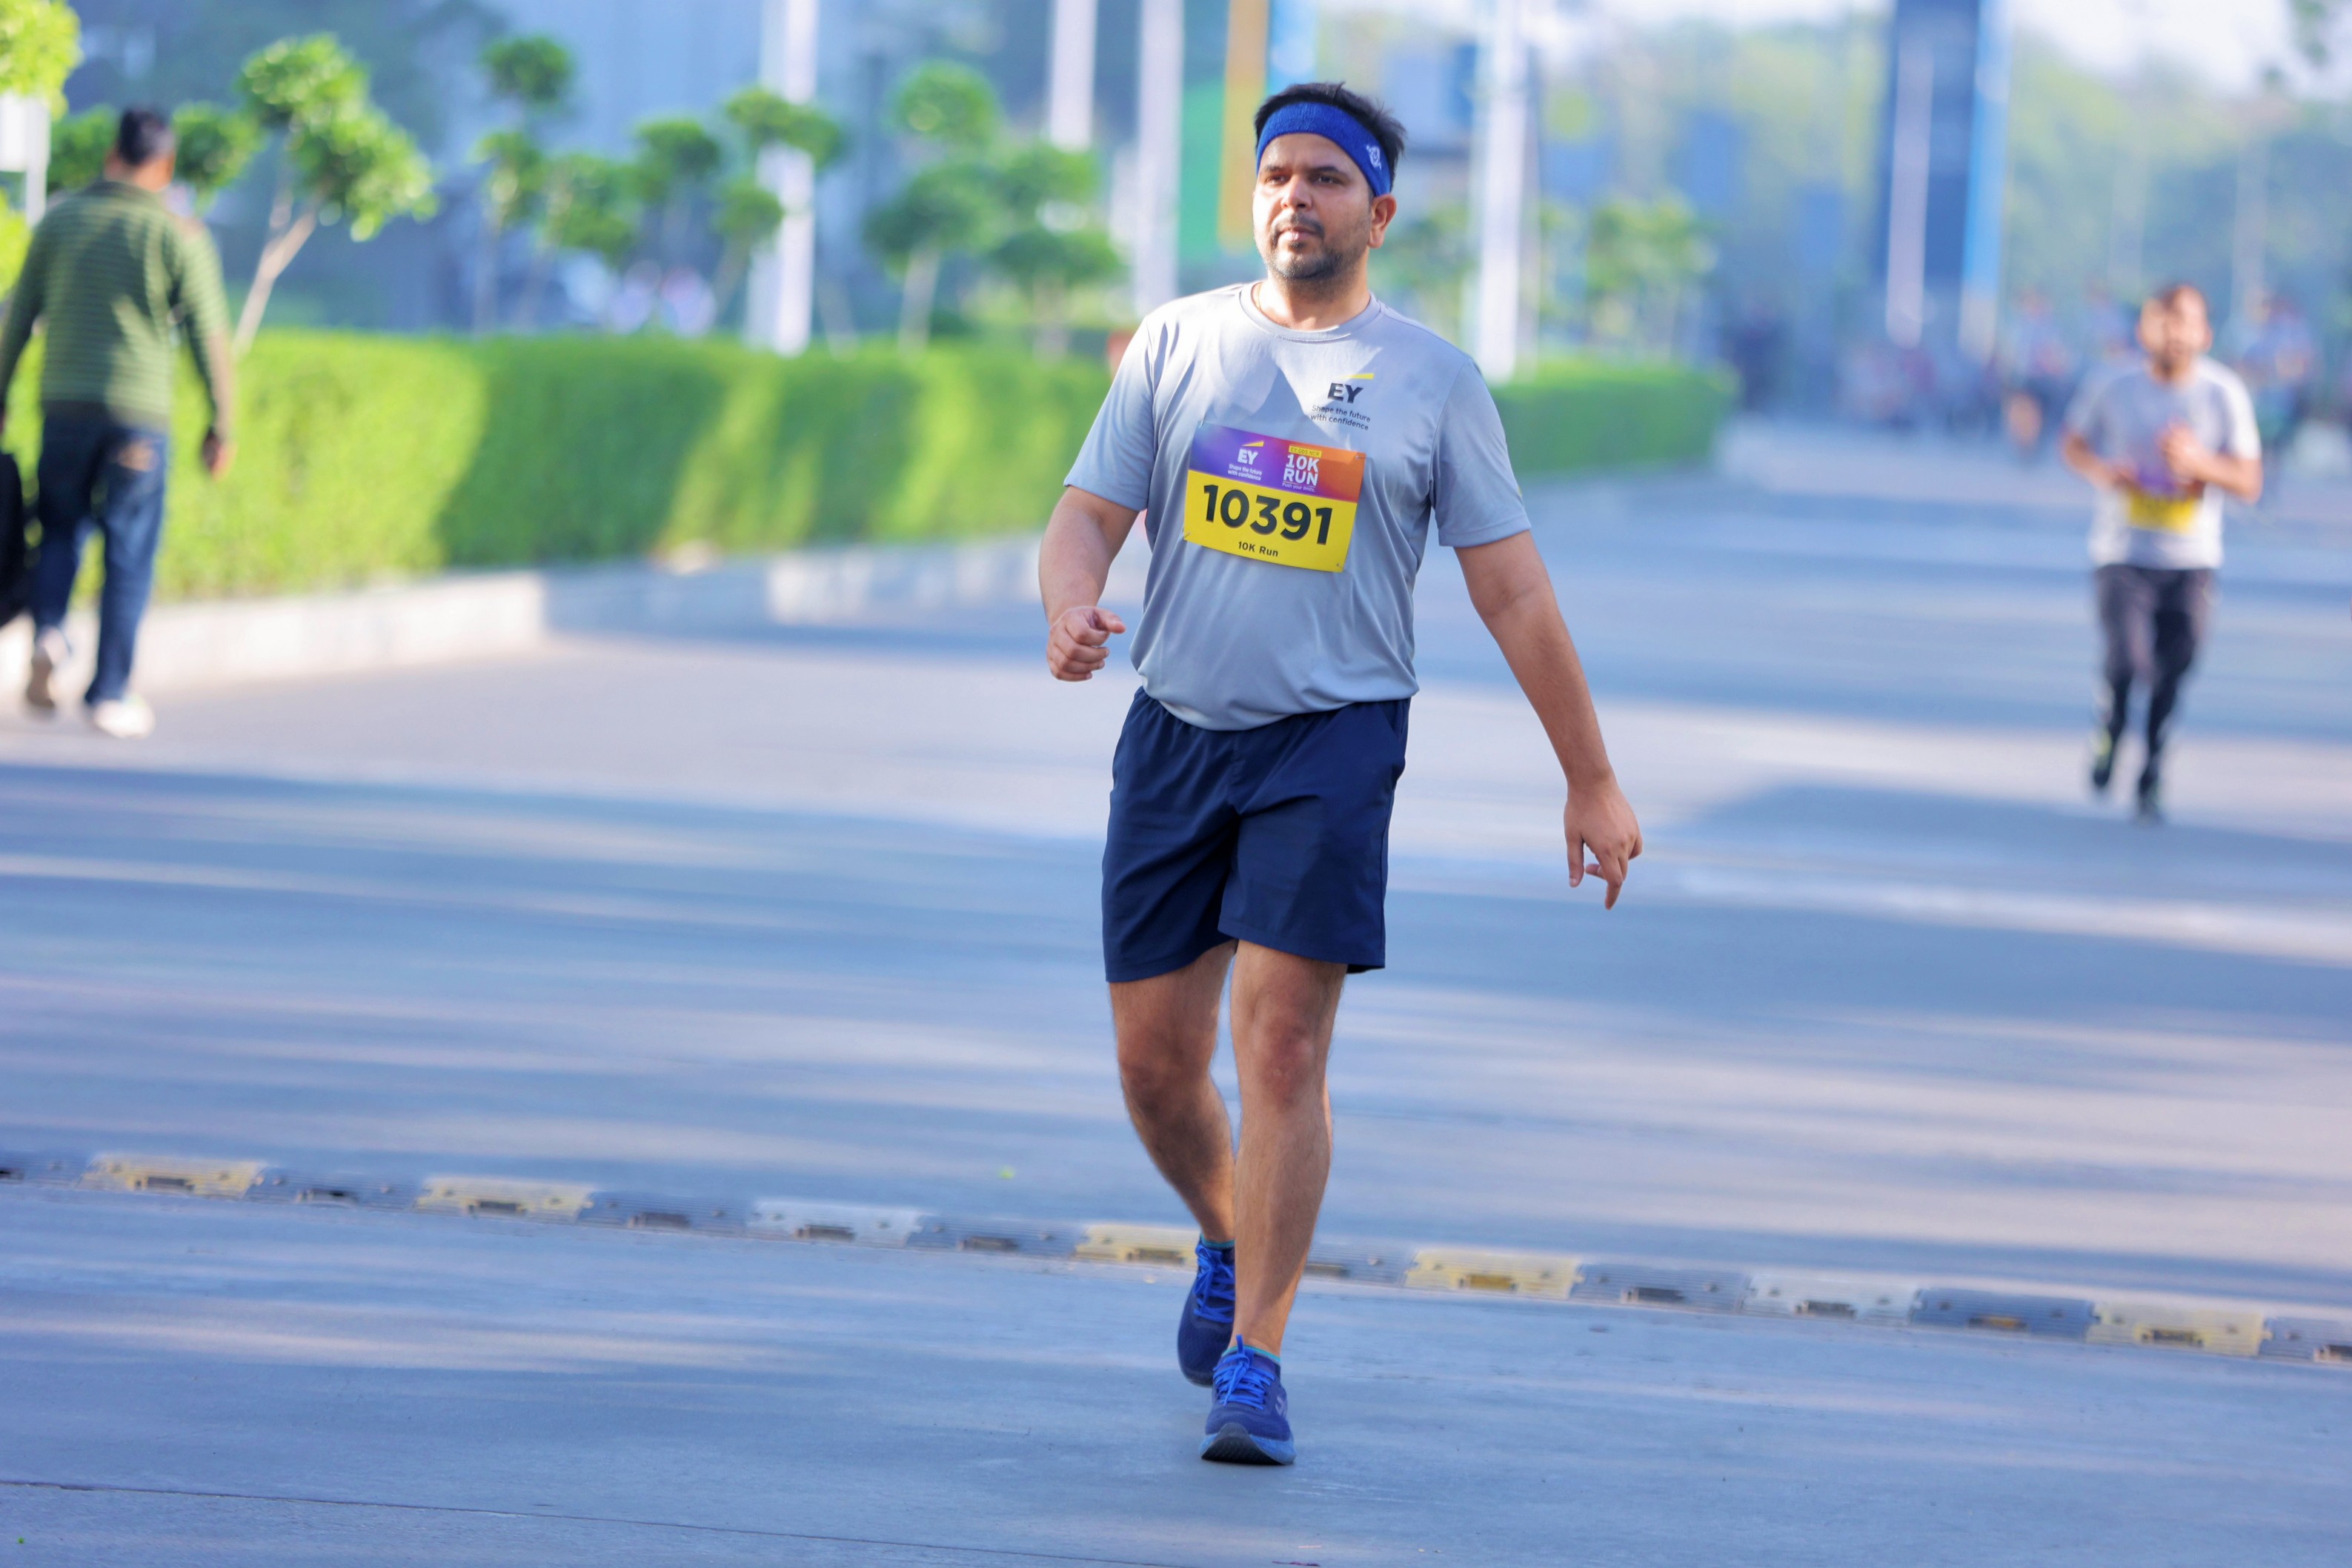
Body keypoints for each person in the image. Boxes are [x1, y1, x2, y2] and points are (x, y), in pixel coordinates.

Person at [1040, 82, 1641, 1466]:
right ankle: (1223, 1232)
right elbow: (1084, 515)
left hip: (1332, 742)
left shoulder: (1432, 383)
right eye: (1275, 176)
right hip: (1176, 735)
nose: (1293, 199)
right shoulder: (1179, 343)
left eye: (1323, 178)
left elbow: (1513, 594)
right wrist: (1068, 602)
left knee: (1283, 1048)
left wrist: (1589, 778)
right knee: (1154, 1067)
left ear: (1379, 210)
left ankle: (1255, 1357)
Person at [0, 107, 235, 738]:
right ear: (166, 165)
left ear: (112, 155)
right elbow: (208, 336)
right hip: (139, 419)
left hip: (64, 408)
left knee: (59, 528)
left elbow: (17, 316)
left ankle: (50, 632)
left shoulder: (61, 220)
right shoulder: (178, 233)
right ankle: (110, 692)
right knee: (130, 549)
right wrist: (222, 424)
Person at [2059, 283, 2260, 821]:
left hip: (2192, 559)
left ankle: (2152, 767)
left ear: (2205, 333)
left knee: (2177, 667)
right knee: (2129, 660)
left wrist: (2199, 464)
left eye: (2184, 322)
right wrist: (2105, 472)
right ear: (2143, 330)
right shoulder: (2113, 386)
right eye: (2162, 321)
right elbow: (2073, 443)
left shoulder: (2223, 393)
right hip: (2123, 552)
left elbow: (2248, 480)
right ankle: (2111, 724)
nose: (2173, 333)